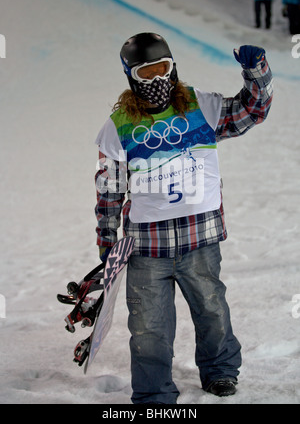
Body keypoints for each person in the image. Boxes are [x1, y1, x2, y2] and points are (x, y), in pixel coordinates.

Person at [94, 32, 273, 404]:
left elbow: (251, 111)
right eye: (147, 73)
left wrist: (255, 72)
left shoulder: (201, 107)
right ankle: (153, 394)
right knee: (148, 327)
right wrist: (106, 239)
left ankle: (220, 371)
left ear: (174, 67)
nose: (158, 79)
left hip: (200, 238)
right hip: (147, 246)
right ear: (131, 76)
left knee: (211, 308)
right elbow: (109, 187)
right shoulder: (119, 125)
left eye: (164, 68)